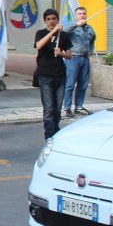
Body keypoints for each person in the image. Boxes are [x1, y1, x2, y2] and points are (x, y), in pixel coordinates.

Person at [35, 8, 73, 140]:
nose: (51, 21)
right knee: (49, 108)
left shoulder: (64, 35)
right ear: (45, 21)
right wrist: (53, 31)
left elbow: (69, 55)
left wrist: (61, 53)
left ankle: (55, 132)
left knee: (57, 108)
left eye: (54, 19)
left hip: (60, 75)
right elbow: (39, 45)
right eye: (48, 19)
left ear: (57, 19)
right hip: (45, 74)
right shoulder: (40, 33)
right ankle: (49, 135)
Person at [63, 6, 97, 118]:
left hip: (85, 59)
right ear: (75, 15)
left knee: (83, 85)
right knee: (70, 84)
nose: (82, 16)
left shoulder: (89, 28)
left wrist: (91, 49)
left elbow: (93, 39)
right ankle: (67, 107)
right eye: (79, 14)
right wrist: (76, 24)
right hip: (73, 58)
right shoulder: (71, 26)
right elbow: (63, 32)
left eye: (83, 13)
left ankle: (79, 107)